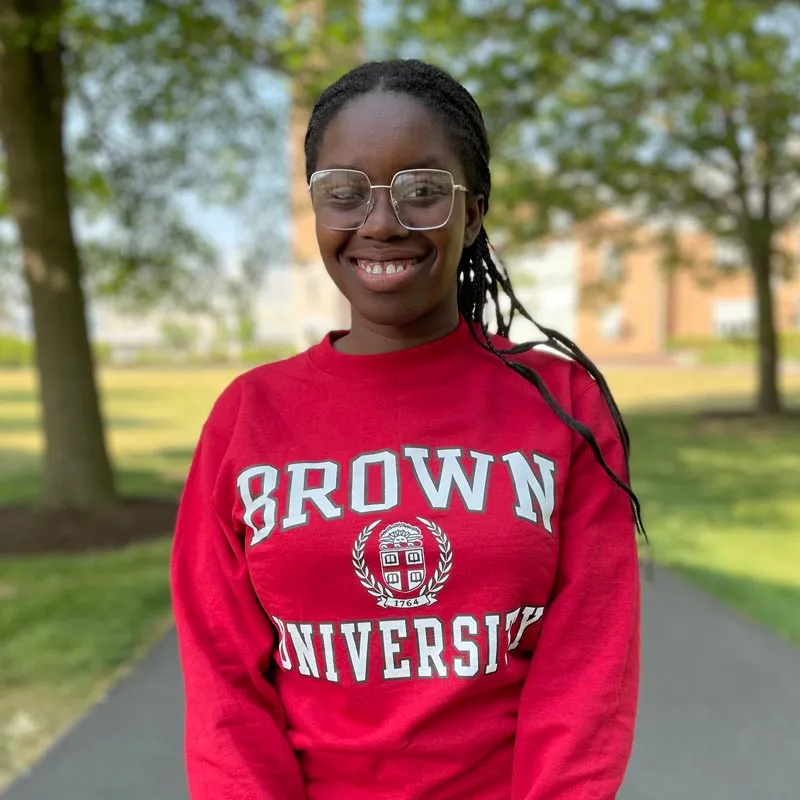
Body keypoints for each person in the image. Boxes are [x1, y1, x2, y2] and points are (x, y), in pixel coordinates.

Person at [171, 59, 644, 800]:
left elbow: (587, 677)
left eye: (422, 190)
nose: (381, 222)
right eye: (344, 193)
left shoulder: (563, 408)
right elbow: (225, 687)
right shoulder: (248, 417)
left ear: (474, 209)